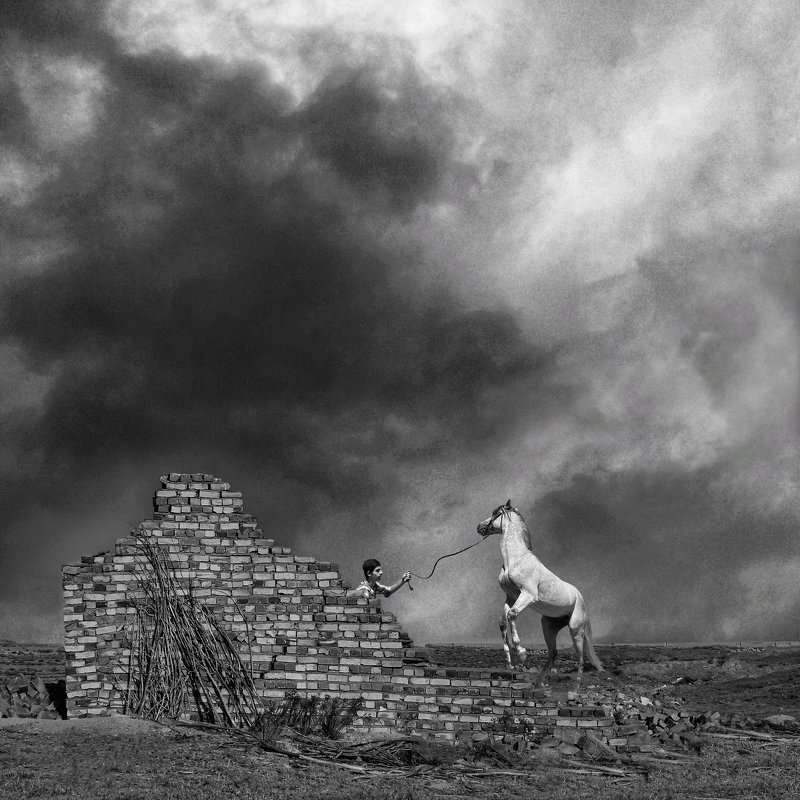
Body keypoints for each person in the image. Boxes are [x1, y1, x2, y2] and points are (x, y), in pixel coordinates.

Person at [347, 558, 411, 599]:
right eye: (377, 571)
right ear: (369, 573)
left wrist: (403, 581)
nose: (381, 572)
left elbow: (389, 591)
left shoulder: (375, 586)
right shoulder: (364, 591)